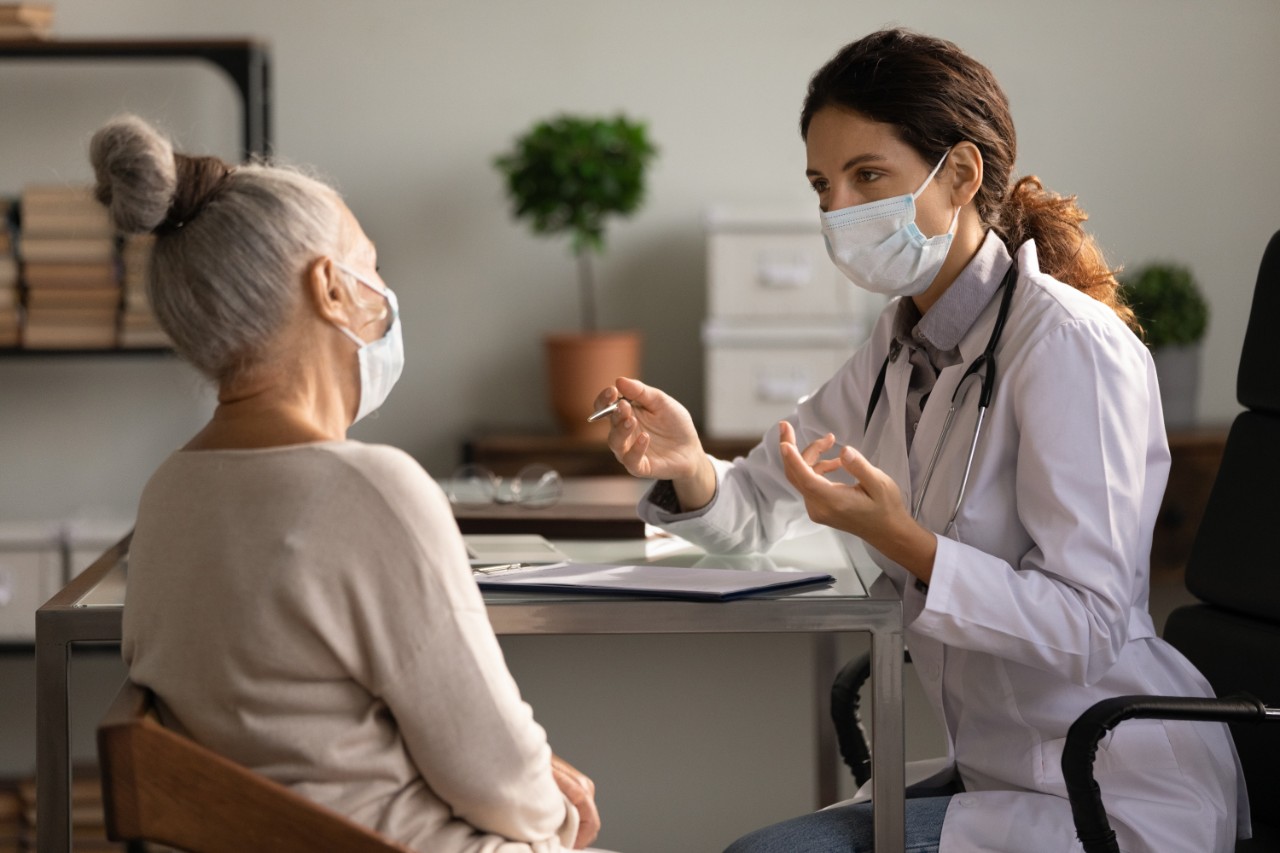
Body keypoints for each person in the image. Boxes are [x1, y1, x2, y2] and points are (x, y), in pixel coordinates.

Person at [595, 29, 1248, 853]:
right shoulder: (897, 348)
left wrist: (909, 542)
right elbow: (756, 506)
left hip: (1112, 779)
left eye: (868, 176)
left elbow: (1090, 625)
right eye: (822, 185)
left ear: (961, 175)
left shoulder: (1067, 346)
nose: (839, 210)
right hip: (1003, 768)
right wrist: (689, 465)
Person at [93, 115, 605, 853]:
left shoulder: (168, 491)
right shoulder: (370, 489)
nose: (385, 292)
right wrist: (555, 812)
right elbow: (499, 780)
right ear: (331, 288)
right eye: (371, 266)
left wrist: (522, 778)